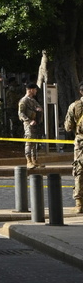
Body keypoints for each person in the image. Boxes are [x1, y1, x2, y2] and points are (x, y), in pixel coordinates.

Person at [63, 81, 83, 216]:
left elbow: (68, 127)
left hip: (81, 142)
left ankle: (79, 202)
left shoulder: (74, 106)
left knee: (79, 169)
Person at [18, 80, 43, 171]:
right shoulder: (24, 101)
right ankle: (28, 161)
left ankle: (34, 160)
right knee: (29, 142)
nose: (36, 91)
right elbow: (21, 114)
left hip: (36, 124)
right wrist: (29, 120)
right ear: (31, 90)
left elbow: (39, 108)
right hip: (29, 124)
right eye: (35, 89)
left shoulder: (33, 100)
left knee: (35, 143)